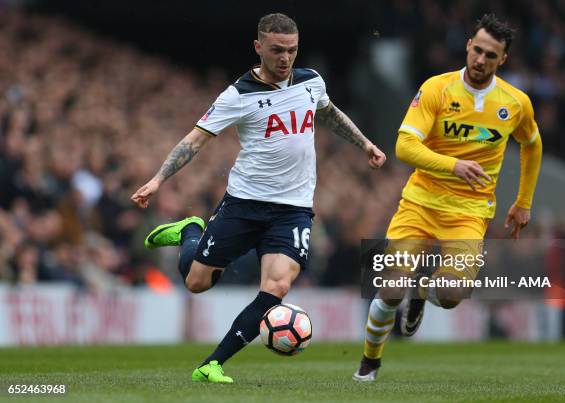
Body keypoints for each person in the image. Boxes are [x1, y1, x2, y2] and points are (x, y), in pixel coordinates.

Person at [131, 13, 386, 384]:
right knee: (197, 283)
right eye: (277, 50)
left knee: (277, 287)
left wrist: (364, 143)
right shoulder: (239, 94)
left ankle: (212, 363)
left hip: (294, 210)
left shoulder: (310, 81)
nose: (285, 58)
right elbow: (194, 140)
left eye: (292, 50)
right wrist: (157, 180)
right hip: (244, 204)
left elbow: (328, 114)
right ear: (259, 48)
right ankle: (191, 230)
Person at [353, 13, 542, 381]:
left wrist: (524, 202)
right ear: (468, 45)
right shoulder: (437, 89)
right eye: (477, 50)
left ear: (502, 59)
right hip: (421, 202)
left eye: (491, 55)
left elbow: (532, 145)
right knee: (391, 286)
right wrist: (453, 165)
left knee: (454, 294)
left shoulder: (515, 102)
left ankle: (422, 291)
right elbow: (405, 146)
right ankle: (369, 363)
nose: (480, 60)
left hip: (469, 212)